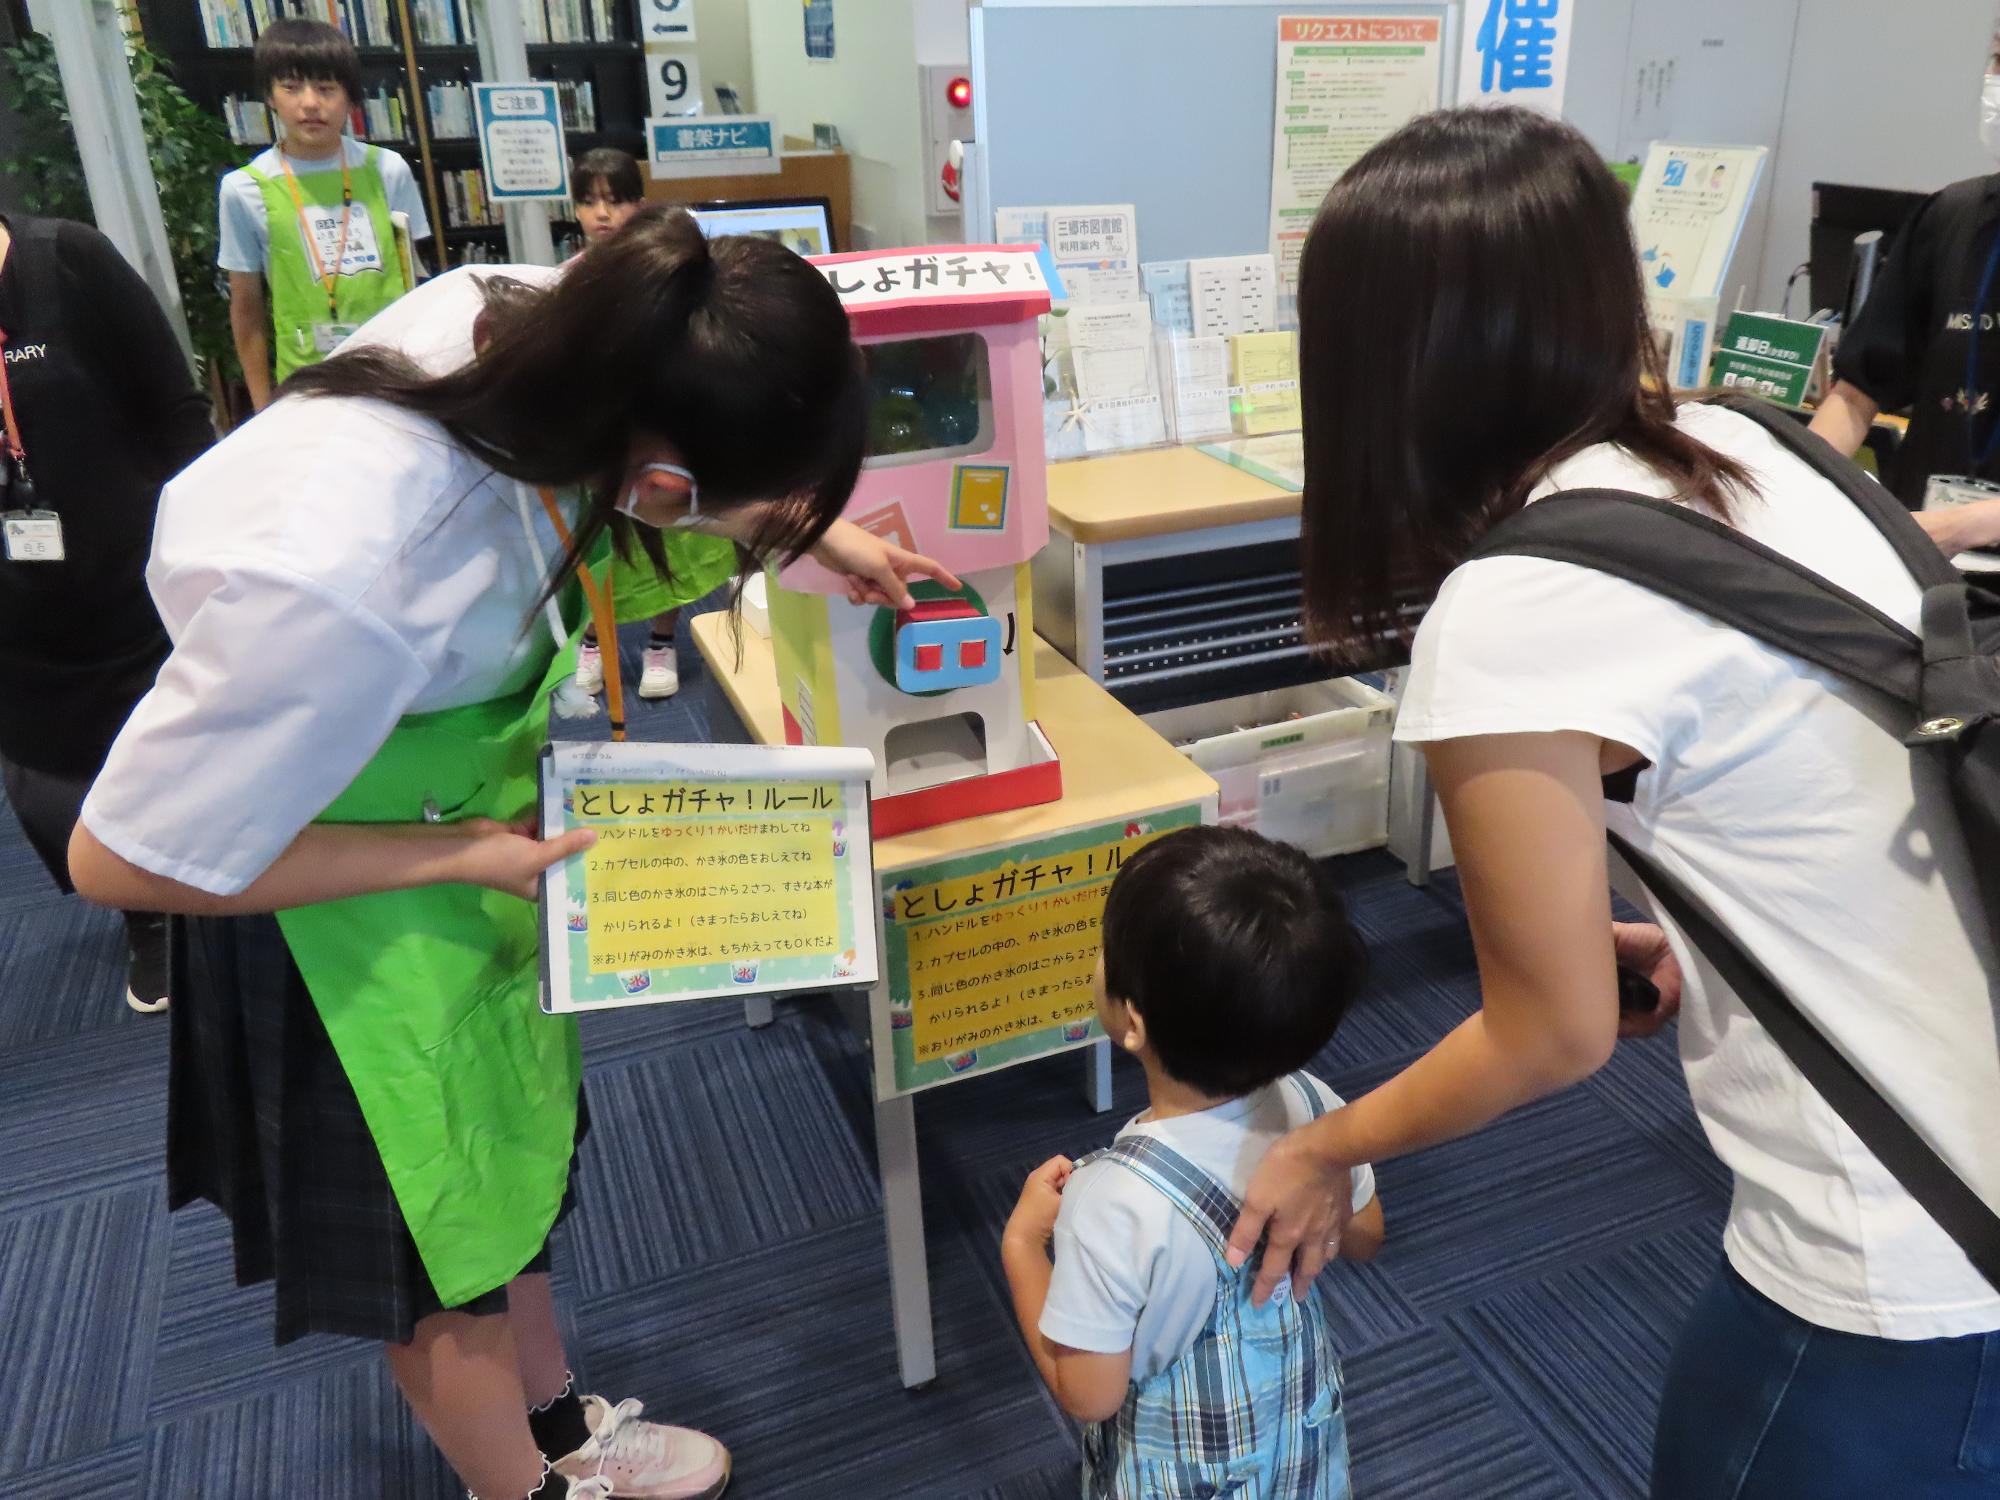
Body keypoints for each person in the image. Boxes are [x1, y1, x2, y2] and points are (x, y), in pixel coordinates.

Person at [68, 207, 956, 1500]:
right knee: (438, 1273)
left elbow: (646, 480)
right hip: (322, 897)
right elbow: (124, 858)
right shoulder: (346, 573)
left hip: (457, 829)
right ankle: (522, 1487)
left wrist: (819, 533)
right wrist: (442, 859)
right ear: (658, 486)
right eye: (736, 508)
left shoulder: (577, 327)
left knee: (508, 1192)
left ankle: (560, 1436)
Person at [1228, 108, 2000, 1498]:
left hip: (1905, 1244)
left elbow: (1554, 1036)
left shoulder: (1521, 604)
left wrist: (1326, 1147)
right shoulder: (1750, 447)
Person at [1002, 826, 1383, 1500]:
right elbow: (1365, 1232)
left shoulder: (1110, 1201)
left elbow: (1089, 1394)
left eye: (1104, 951)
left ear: (1134, 1023)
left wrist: (1023, 1247)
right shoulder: (1314, 1107)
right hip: (1296, 1445)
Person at [0, 211, 212, 1013]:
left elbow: (177, 413)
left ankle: (234, 892)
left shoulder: (67, 262)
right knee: (68, 767)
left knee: (175, 742)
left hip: (133, 577)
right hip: (18, 607)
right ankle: (146, 915)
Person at [1807, 37, 2000, 555]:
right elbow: (1857, 393)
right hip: (1919, 566)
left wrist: (1964, 526)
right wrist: (1797, 489)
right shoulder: (1952, 216)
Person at [564, 147, 735, 703]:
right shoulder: (567, 278)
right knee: (601, 542)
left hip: (662, 428)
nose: (602, 214)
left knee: (670, 536)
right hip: (600, 434)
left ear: (640, 204)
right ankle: (593, 641)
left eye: (615, 200)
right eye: (588, 202)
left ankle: (662, 643)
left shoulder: (667, 272)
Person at [218, 18, 433, 412]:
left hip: (395, 379)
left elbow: (416, 279)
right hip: (304, 390)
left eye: (326, 88)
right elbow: (246, 310)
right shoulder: (243, 189)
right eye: (292, 87)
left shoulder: (388, 171)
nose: (310, 103)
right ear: (269, 96)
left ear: (350, 99)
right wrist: (264, 409)